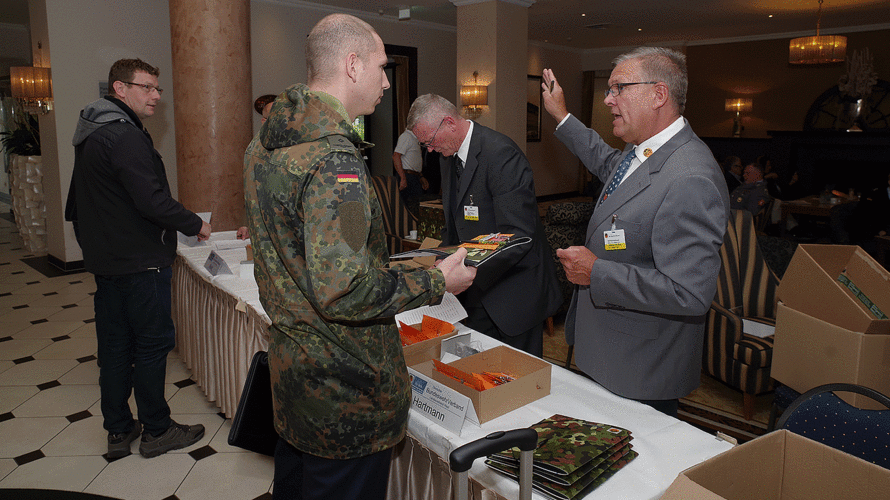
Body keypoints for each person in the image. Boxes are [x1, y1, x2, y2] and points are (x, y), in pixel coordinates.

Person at [242, 14, 475, 500]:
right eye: (382, 67)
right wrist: (436, 284)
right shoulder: (335, 163)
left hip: (294, 376)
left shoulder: (262, 146)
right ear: (351, 65)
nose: (387, 82)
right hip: (344, 392)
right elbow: (345, 288)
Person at [541, 46, 730, 417]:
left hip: (640, 368)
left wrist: (596, 272)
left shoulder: (690, 177)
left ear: (659, 94)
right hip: (610, 353)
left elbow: (689, 293)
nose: (609, 100)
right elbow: (607, 161)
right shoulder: (644, 151)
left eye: (618, 89)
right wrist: (562, 117)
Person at [64, 58, 211, 459]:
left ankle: (118, 428)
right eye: (146, 87)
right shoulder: (124, 135)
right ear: (119, 89)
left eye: (157, 89)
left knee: (114, 347)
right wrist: (193, 222)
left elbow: (77, 203)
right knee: (150, 346)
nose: (156, 96)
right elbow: (151, 200)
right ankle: (158, 430)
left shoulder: (91, 133)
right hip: (140, 261)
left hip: (109, 261)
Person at [406, 94, 562, 358]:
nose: (429, 150)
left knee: (516, 382)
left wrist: (463, 268)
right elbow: (454, 223)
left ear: (449, 123)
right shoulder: (448, 156)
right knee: (477, 371)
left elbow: (517, 235)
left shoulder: (500, 154)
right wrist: (444, 259)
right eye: (424, 145)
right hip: (475, 293)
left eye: (430, 142)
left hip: (514, 296)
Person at [237, 94, 280, 240]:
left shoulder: (298, 148)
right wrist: (248, 224)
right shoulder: (256, 151)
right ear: (264, 122)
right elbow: (252, 190)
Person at [392, 128, 428, 209]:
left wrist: (421, 176)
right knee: (406, 208)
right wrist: (403, 178)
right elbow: (396, 156)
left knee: (415, 207)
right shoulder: (406, 136)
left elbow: (413, 161)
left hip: (414, 177)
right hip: (407, 176)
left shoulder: (415, 138)